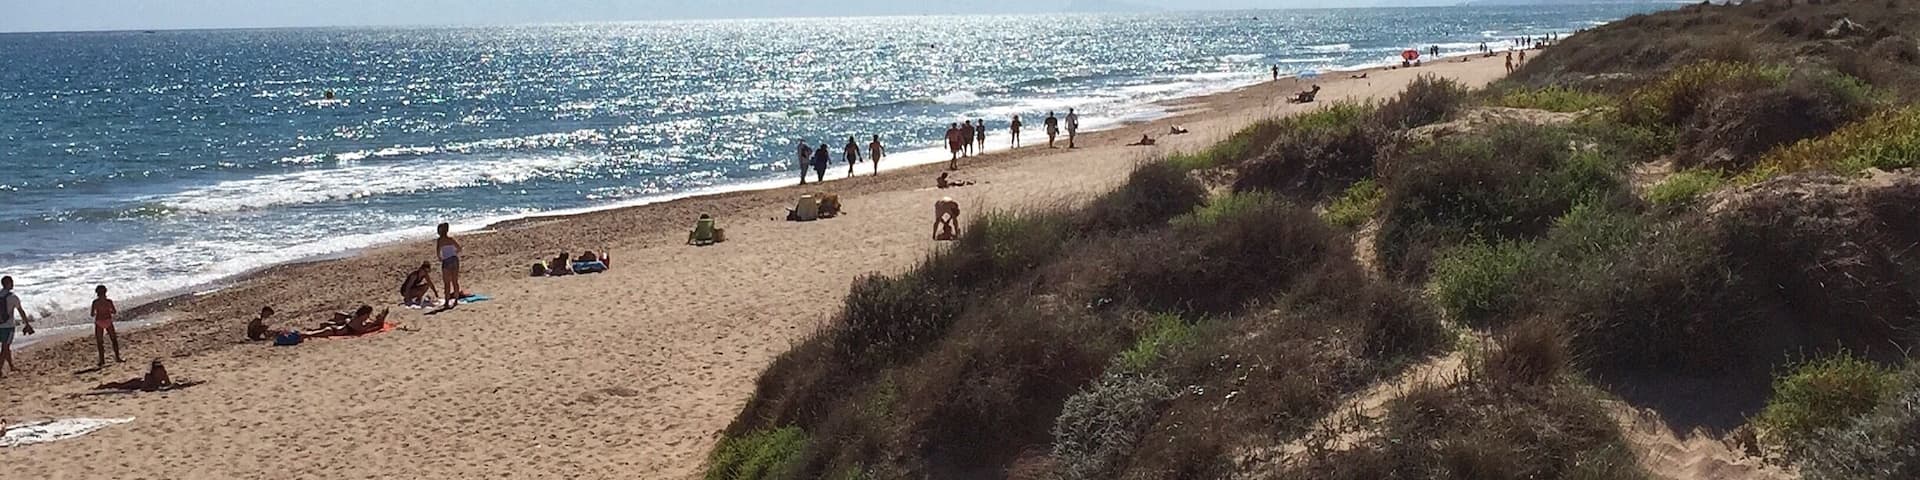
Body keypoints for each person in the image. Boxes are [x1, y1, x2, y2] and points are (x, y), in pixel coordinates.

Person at [0, 276, 32, 379]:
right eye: (12, 282)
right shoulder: (13, 297)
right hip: (8, 326)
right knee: (5, 348)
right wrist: (27, 324)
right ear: (8, 283)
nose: (13, 284)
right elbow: (21, 311)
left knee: (5, 347)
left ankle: (11, 366)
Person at [302, 305, 388, 338]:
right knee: (310, 334)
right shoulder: (359, 323)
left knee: (312, 333)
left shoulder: (355, 317)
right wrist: (377, 322)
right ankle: (298, 335)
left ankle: (303, 333)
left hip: (335, 328)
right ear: (365, 314)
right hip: (333, 331)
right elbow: (366, 329)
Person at [90, 285, 123, 367]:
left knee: (100, 342)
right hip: (108, 320)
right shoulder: (109, 301)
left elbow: (92, 314)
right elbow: (114, 311)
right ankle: (117, 357)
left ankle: (102, 361)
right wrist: (108, 310)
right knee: (114, 340)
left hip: (99, 321)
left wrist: (97, 312)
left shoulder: (95, 302)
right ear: (106, 292)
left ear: (96, 293)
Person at [95, 359, 174, 392]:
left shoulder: (163, 373)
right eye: (159, 371)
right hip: (137, 383)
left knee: (120, 385)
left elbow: (168, 384)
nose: (161, 372)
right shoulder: (149, 376)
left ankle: (104, 386)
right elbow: (144, 388)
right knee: (120, 386)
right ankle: (104, 386)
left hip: (140, 383)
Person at [435, 223, 464, 308]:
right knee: (455, 281)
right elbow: (459, 248)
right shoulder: (451, 239)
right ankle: (456, 300)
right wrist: (454, 252)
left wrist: (440, 257)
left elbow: (438, 251)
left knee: (447, 283)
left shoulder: (440, 240)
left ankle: (447, 302)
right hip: (454, 259)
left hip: (446, 260)